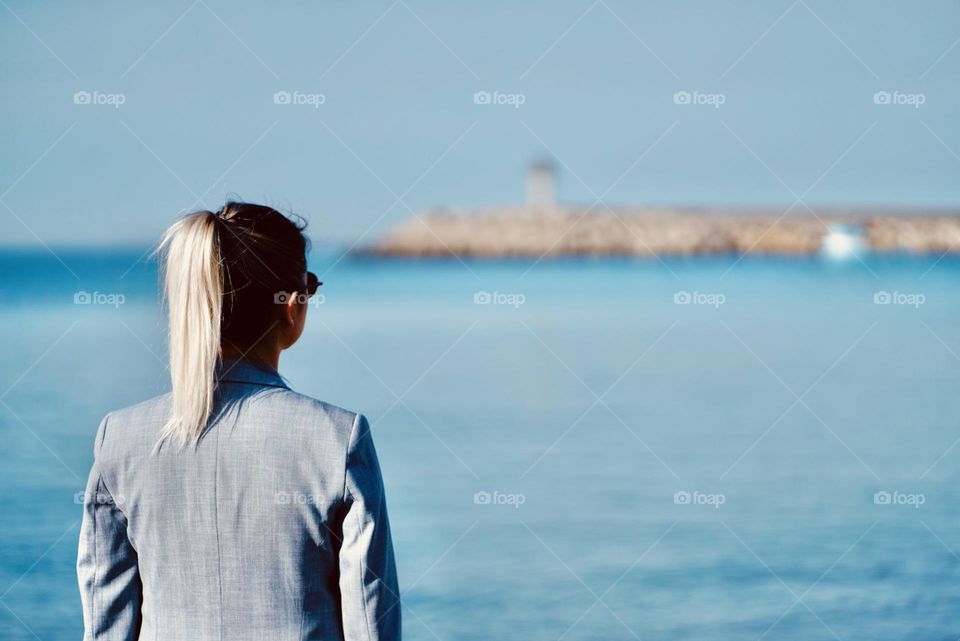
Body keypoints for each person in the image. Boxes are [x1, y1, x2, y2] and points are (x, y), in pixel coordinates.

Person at [77, 202, 400, 640]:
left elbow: (106, 626)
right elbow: (369, 620)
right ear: (291, 305)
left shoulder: (119, 438)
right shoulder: (338, 439)